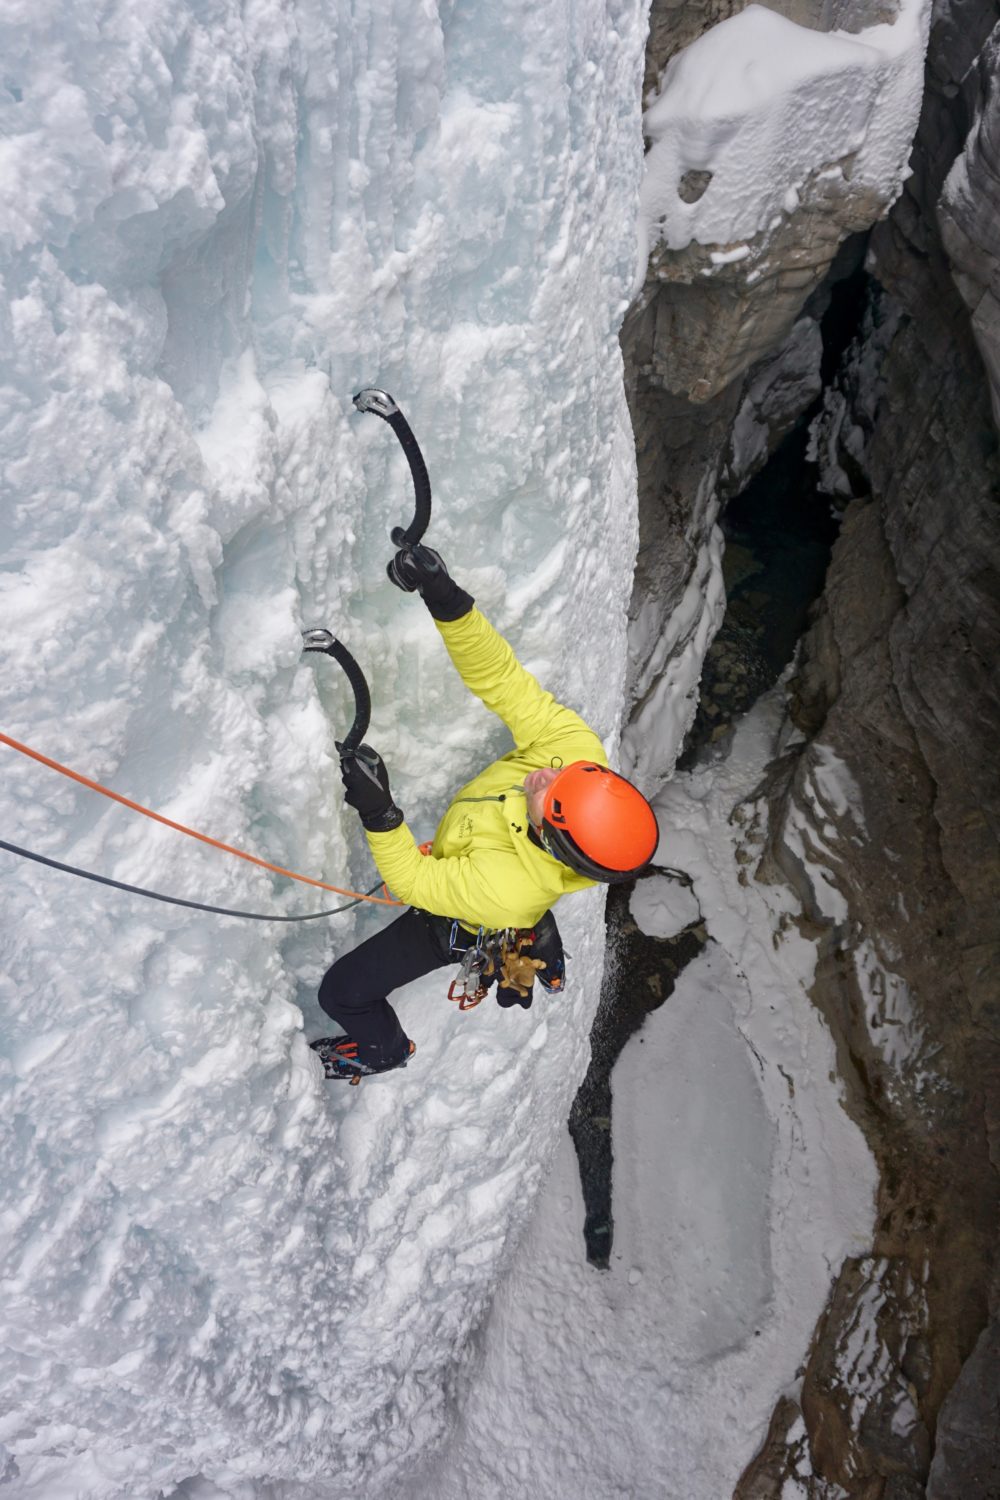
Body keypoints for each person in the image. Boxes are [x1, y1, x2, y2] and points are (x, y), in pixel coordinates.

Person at [310, 545, 659, 1081]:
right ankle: (532, 928)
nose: (545, 772)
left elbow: (411, 880)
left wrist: (378, 810)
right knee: (520, 902)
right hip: (503, 881)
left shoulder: (505, 886)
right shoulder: (576, 757)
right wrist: (447, 600)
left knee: (341, 991)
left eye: (550, 792)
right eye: (564, 774)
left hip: (454, 918)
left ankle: (385, 1050)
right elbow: (503, 680)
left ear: (552, 838)